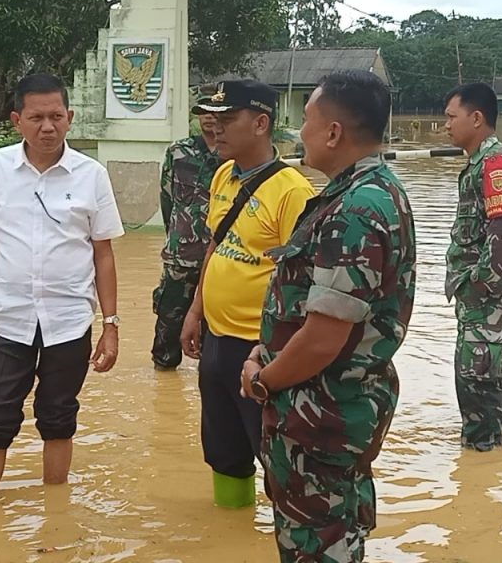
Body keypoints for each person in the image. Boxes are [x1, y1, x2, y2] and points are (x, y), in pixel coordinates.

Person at [239, 70, 417, 562]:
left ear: (334, 132)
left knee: (316, 548)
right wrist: (269, 344)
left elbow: (324, 339)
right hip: (336, 409)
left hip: (320, 417)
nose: (299, 133)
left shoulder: (355, 210)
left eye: (307, 121)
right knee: (336, 541)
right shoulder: (372, 192)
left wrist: (263, 380)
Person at [0, 73, 123, 498]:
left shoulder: (92, 175)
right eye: (36, 117)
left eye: (56, 117)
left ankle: (55, 512)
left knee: (58, 416)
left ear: (70, 117)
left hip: (69, 322)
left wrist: (111, 324)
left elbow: (103, 253)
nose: (47, 127)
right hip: (9, 320)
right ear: (17, 120)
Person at [179, 79, 315, 507]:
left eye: (227, 118)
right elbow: (217, 245)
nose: (214, 128)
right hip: (217, 339)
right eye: (212, 118)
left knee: (277, 457)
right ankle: (231, 536)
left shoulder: (292, 191)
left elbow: (303, 280)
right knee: (224, 453)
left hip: (262, 350)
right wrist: (195, 310)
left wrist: (272, 350)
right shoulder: (223, 174)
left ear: (260, 124)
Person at [442, 82, 502, 452]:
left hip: (490, 292)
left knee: (475, 375)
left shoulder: (496, 165)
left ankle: (480, 455)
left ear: (477, 118)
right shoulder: (480, 164)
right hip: (488, 293)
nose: (446, 125)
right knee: (492, 369)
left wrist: (477, 287)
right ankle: (498, 460)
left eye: (452, 117)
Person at [150, 91, 221, 370]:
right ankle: (164, 372)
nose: (209, 118)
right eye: (204, 112)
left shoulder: (234, 155)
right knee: (169, 316)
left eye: (216, 113)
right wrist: (177, 235)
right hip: (182, 254)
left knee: (217, 323)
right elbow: (166, 198)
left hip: (220, 258)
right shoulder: (179, 152)